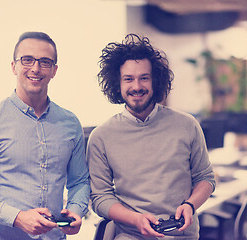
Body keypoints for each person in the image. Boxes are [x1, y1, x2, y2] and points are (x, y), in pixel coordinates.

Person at [87, 34, 216, 239]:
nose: (136, 86)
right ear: (117, 83)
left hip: (182, 235)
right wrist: (135, 219)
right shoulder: (101, 137)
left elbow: (205, 178)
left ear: (155, 80)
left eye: (144, 78)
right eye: (128, 79)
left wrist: (190, 205)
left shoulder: (187, 125)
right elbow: (100, 199)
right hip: (130, 236)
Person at [0, 31, 90, 239]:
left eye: (45, 62)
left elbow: (80, 182)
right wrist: (17, 217)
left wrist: (76, 210)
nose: (35, 68)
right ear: (14, 66)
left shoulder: (70, 123)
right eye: (27, 60)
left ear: (54, 70)